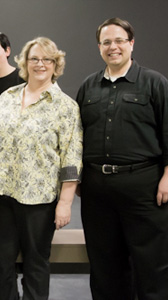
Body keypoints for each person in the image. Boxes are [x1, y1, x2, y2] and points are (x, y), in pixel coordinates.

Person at [0, 37, 83, 300]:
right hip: (0, 194)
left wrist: (65, 202)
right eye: (34, 58)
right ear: (24, 63)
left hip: (39, 198)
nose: (40, 64)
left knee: (36, 263)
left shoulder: (65, 106)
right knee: (1, 262)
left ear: (55, 64)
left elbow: (71, 156)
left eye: (47, 59)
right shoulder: (7, 98)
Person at [76, 17, 168, 299]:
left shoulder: (154, 83)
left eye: (119, 41)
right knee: (104, 265)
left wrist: (167, 176)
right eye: (106, 42)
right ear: (99, 47)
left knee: (151, 265)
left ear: (131, 43)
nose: (112, 47)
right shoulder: (88, 87)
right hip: (96, 190)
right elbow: (75, 137)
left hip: (144, 187)